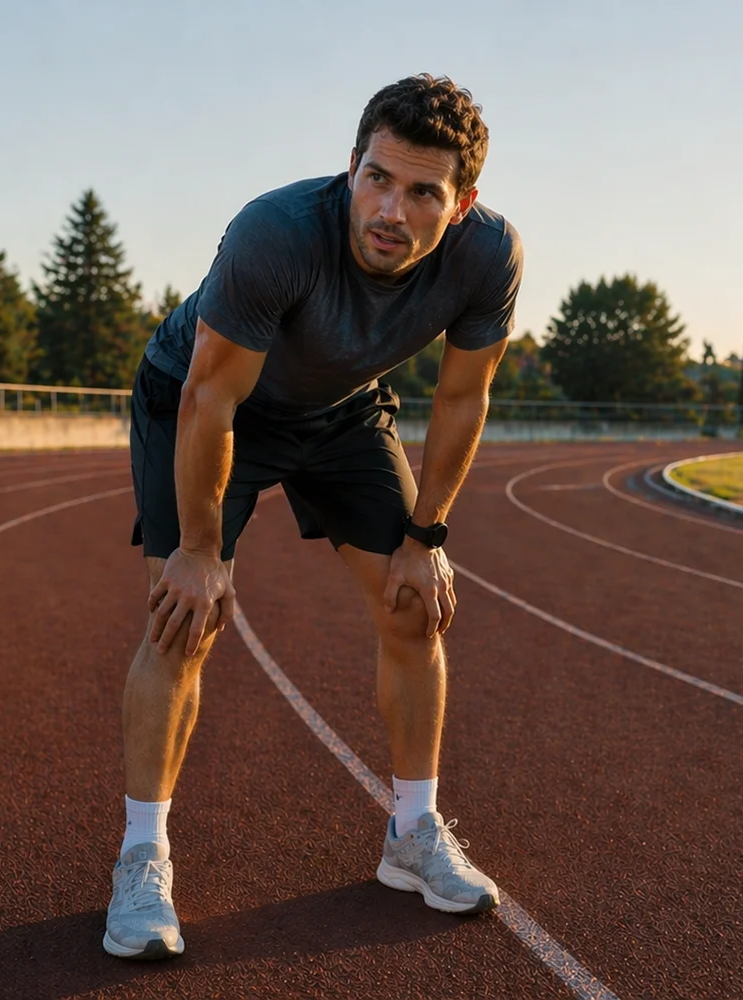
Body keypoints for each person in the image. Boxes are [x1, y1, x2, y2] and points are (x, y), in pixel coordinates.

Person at [104, 74, 522, 960]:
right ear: (351, 165)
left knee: (415, 602)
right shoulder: (277, 233)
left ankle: (413, 833)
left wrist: (427, 537)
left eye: (422, 192)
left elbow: (462, 398)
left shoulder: (490, 257)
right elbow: (210, 400)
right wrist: (201, 551)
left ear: (464, 203)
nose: (390, 209)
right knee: (183, 621)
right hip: (205, 401)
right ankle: (143, 856)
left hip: (341, 410)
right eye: (376, 177)